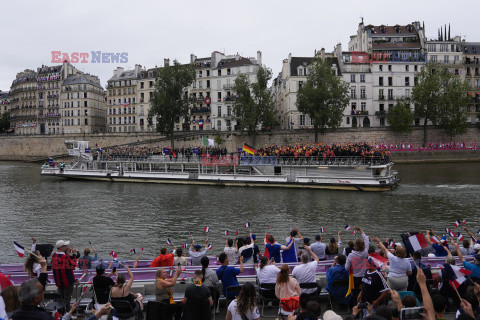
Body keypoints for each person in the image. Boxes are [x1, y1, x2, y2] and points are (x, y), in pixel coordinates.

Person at [344, 226, 369, 306]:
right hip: (364, 276)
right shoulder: (365, 252)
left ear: (355, 246)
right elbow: (367, 240)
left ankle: (356, 308)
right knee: (364, 293)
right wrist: (361, 230)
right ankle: (363, 307)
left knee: (355, 295)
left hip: (355, 278)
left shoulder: (351, 255)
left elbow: (346, 268)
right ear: (363, 246)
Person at [51, 240, 77, 311]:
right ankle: (67, 313)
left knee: (61, 298)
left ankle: (61, 312)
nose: (66, 247)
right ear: (62, 247)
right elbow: (73, 265)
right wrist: (74, 255)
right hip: (67, 281)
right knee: (67, 298)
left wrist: (67, 255)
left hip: (58, 281)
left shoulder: (53, 255)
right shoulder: (65, 257)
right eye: (65, 246)